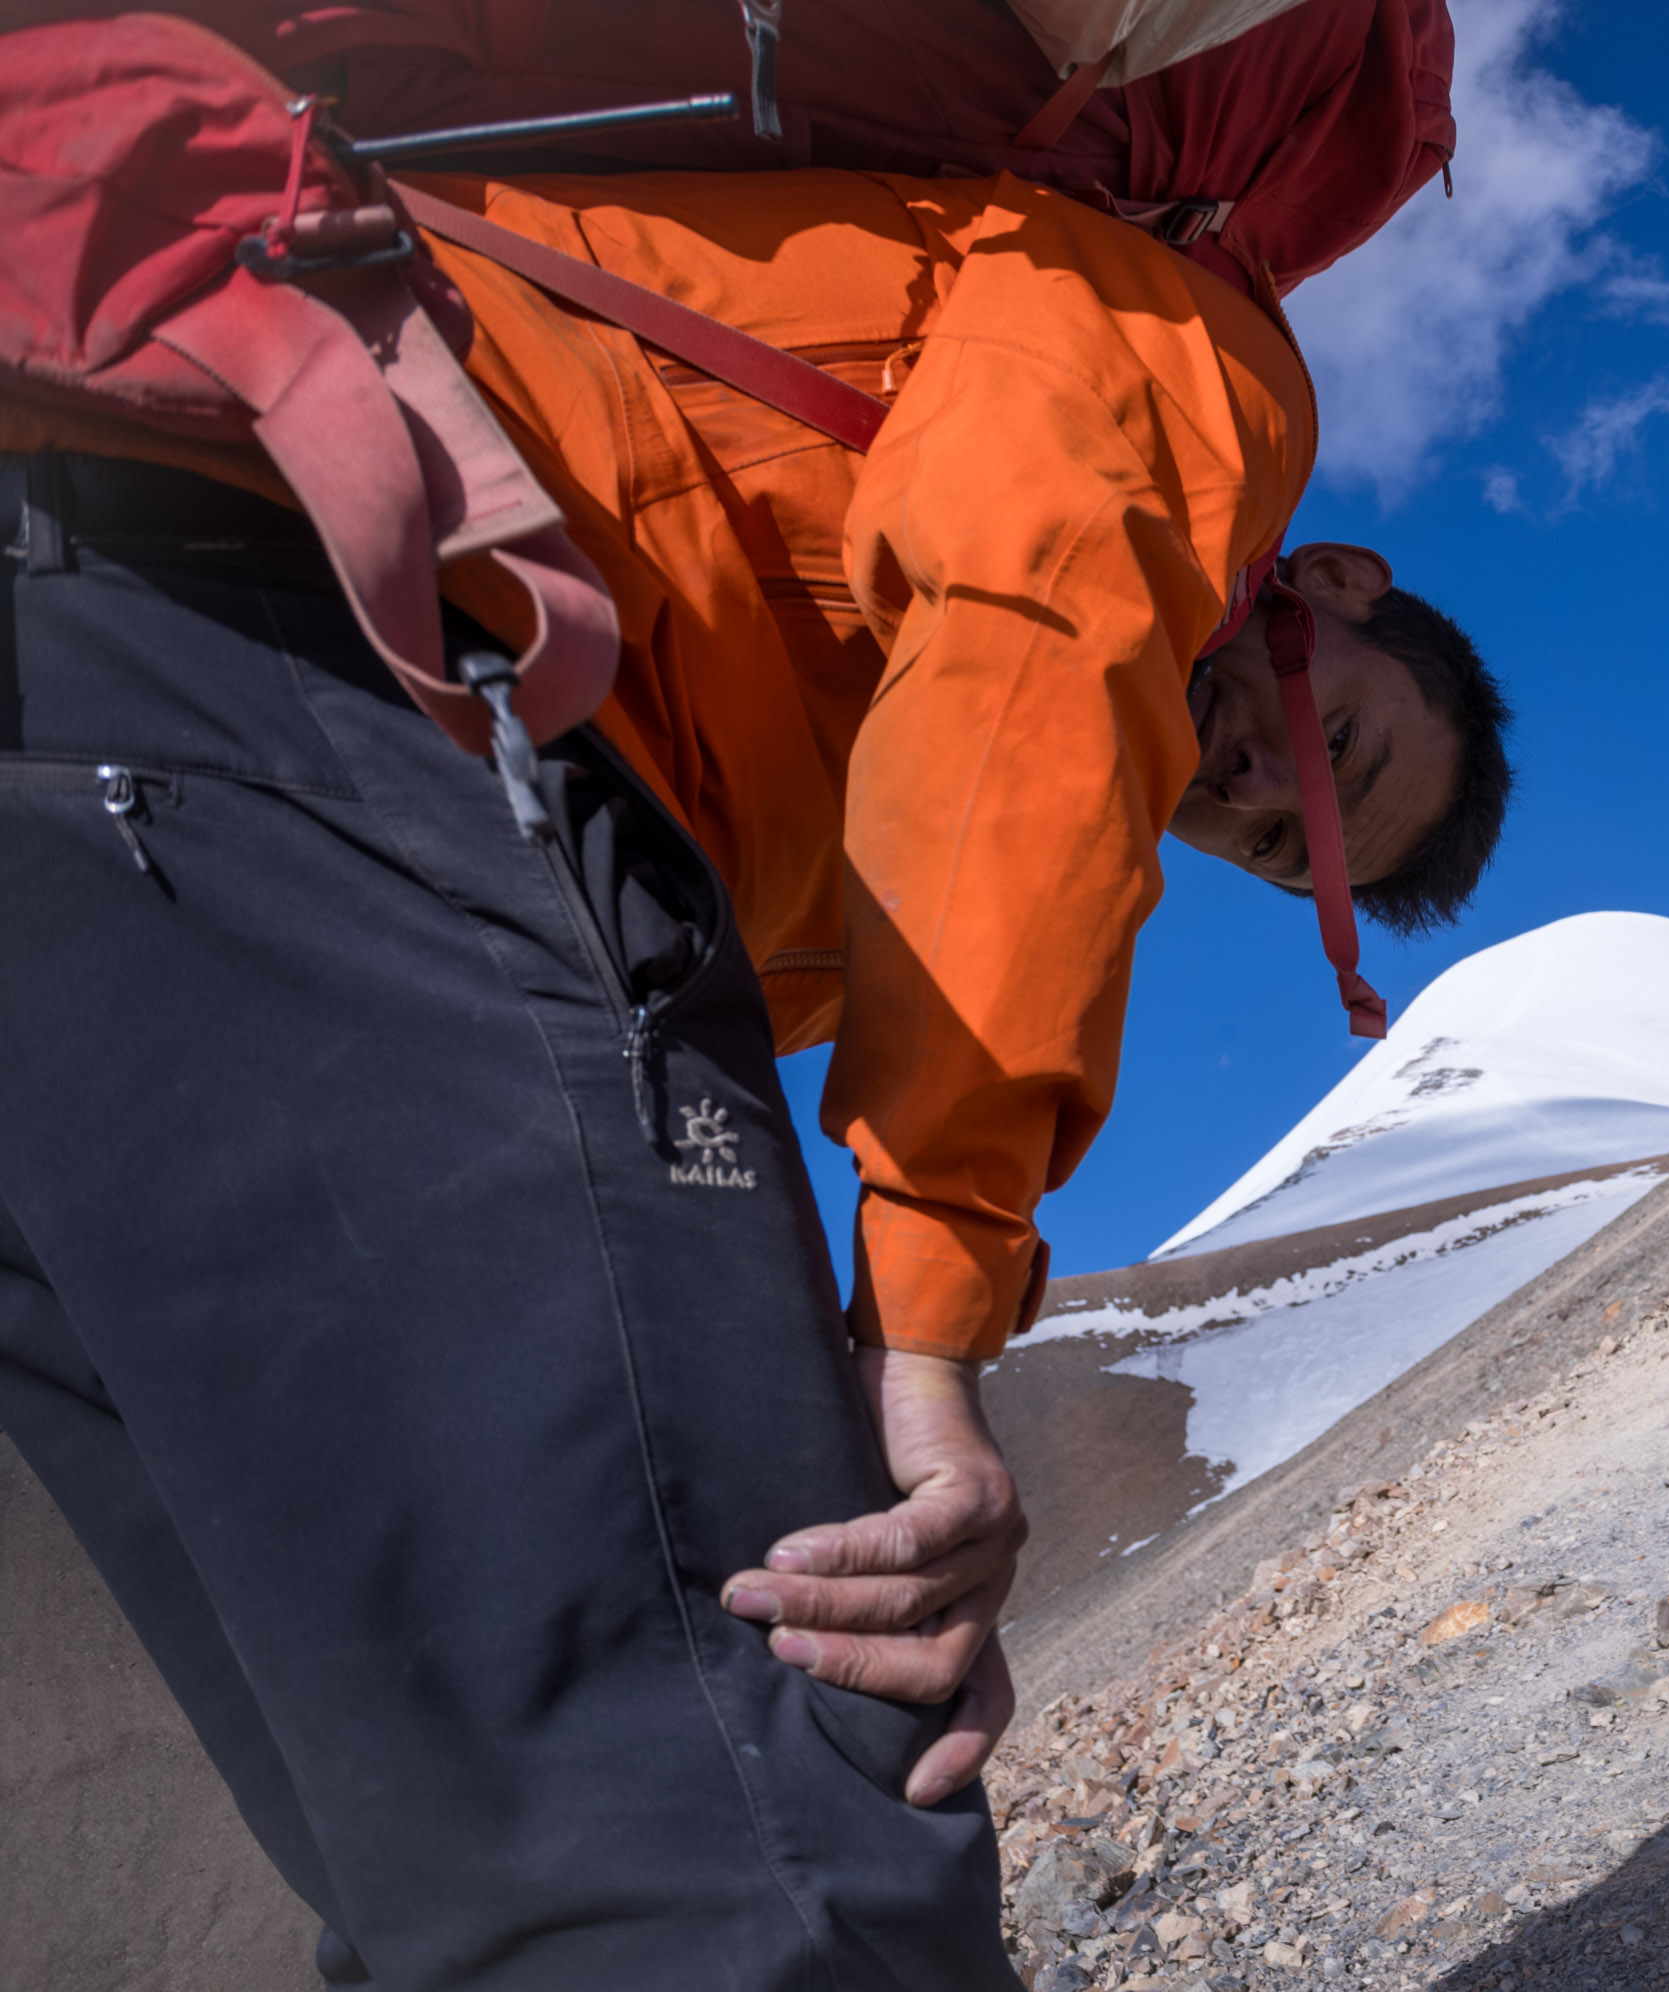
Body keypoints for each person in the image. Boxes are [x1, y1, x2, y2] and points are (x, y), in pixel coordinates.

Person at [0, 160, 1508, 1987]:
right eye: (1337, 743)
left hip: (129, 707)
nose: (1272, 797)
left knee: (448, 1828)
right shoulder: (1190, 358)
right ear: (1335, 585)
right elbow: (1042, 631)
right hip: (301, 628)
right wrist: (928, 1349)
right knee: (746, 1808)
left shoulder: (815, 861)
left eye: (1286, 852)